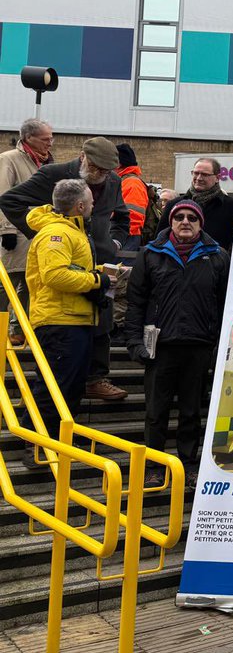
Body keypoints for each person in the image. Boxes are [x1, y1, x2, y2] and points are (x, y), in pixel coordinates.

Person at [0, 136, 130, 402]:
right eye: (97, 168)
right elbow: (10, 200)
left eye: (107, 171)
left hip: (100, 258)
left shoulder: (114, 180)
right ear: (83, 157)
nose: (102, 175)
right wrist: (41, 231)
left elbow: (122, 215)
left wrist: (114, 241)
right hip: (66, 261)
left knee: (103, 316)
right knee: (63, 360)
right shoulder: (54, 174)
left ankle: (96, 378)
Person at [125, 199, 229, 487]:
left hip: (199, 347)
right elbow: (135, 303)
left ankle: (188, 465)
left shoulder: (218, 256)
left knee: (191, 413)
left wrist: (219, 346)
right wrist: (134, 341)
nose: (185, 222)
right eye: (179, 217)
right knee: (155, 413)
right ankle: (154, 467)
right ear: (170, 221)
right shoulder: (150, 254)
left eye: (192, 218)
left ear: (200, 224)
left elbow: (224, 305)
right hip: (160, 347)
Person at [20, 179, 112, 463]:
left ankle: (59, 438)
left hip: (74, 319)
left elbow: (67, 270)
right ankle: (37, 444)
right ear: (80, 206)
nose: (94, 204)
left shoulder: (70, 231)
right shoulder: (57, 233)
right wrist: (95, 280)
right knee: (55, 386)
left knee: (69, 386)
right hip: (60, 321)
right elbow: (55, 275)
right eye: (91, 201)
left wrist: (99, 273)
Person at [0, 119, 55, 346]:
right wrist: (7, 230)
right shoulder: (9, 159)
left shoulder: (47, 162)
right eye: (45, 139)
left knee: (31, 284)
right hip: (17, 232)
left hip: (38, 234)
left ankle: (20, 329)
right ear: (28, 138)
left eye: (51, 138)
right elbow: (3, 195)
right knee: (7, 283)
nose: (50, 143)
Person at [159, 157, 233, 251]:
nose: (199, 178)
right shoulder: (173, 205)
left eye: (205, 174)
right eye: (196, 173)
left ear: (217, 178)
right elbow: (159, 240)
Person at [115, 144, 149, 250]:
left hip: (127, 237)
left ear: (118, 163)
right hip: (125, 235)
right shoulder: (125, 182)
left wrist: (119, 237)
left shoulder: (132, 184)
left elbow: (133, 217)